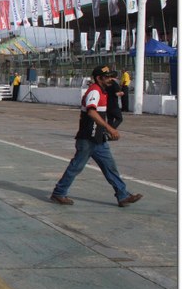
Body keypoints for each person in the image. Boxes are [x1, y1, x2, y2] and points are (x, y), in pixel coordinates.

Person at [50, 65, 143, 207]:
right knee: (76, 167)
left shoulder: (103, 91)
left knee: (110, 168)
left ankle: (122, 195)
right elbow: (91, 112)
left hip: (97, 139)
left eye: (112, 76)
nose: (111, 79)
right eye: (107, 77)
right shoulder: (94, 91)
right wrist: (110, 129)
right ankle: (59, 193)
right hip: (87, 138)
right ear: (99, 78)